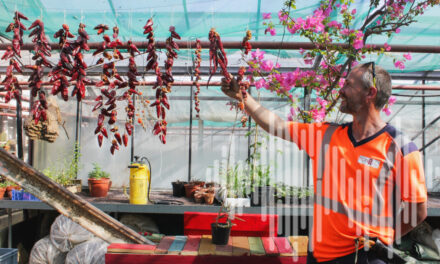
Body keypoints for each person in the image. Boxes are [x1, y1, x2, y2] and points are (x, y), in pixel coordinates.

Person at [221, 62, 427, 263]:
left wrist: (385, 237)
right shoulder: (326, 135)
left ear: (370, 93)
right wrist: (244, 98)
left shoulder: (400, 148)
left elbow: (418, 210)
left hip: (366, 257)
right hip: (321, 255)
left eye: (348, 84)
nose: (341, 90)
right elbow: (278, 125)